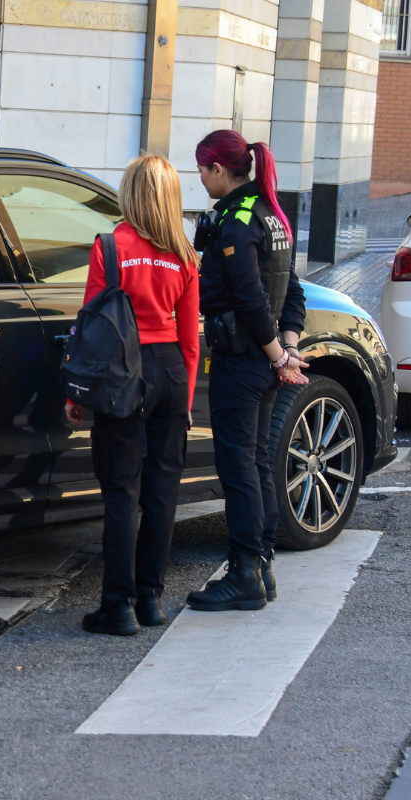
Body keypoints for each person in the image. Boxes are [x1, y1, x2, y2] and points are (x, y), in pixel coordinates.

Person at [66, 154, 200, 637]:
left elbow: (94, 326)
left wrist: (79, 393)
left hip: (123, 370)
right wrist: (184, 406)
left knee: (122, 492)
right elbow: (190, 340)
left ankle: (116, 606)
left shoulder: (110, 246)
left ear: (130, 193)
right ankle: (151, 598)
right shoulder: (185, 254)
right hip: (169, 373)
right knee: (162, 493)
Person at [185, 130, 308, 612]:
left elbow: (252, 298)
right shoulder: (270, 213)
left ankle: (244, 574)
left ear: (219, 170)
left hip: (243, 358)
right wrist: (289, 347)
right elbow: (292, 289)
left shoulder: (236, 222)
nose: (200, 178)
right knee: (257, 464)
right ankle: (262, 567)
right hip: (265, 359)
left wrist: (278, 355)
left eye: (202, 169)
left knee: (239, 468)